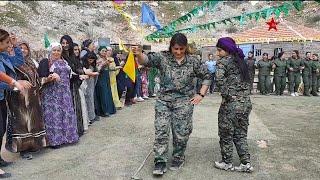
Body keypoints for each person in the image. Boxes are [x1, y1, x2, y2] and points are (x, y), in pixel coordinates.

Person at [133, 33, 212, 176]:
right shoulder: (163, 57)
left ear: (186, 47)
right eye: (176, 49)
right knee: (161, 130)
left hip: (184, 102)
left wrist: (201, 94)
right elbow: (146, 61)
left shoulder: (193, 61)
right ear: (171, 47)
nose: (178, 52)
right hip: (164, 101)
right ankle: (160, 161)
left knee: (181, 133)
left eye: (181, 49)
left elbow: (207, 76)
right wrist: (139, 54)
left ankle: (178, 157)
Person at [214, 37, 253, 173]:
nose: (218, 53)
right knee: (240, 134)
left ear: (227, 50)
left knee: (226, 133)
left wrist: (229, 96)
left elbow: (219, 82)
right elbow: (248, 82)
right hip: (245, 104)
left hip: (231, 104)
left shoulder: (223, 62)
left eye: (219, 50)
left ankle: (227, 162)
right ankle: (246, 163)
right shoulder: (242, 61)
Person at [5, 41, 47, 160]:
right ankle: (23, 149)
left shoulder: (30, 63)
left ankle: (34, 145)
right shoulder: (10, 61)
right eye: (20, 48)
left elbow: (36, 79)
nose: (23, 50)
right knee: (22, 123)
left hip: (32, 96)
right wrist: (19, 82)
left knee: (33, 121)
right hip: (18, 97)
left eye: (25, 48)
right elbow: (7, 76)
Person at [0, 29, 32, 178]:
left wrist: (15, 45)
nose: (9, 45)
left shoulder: (4, 56)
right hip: (4, 92)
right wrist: (15, 84)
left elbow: (19, 62)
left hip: (2, 98)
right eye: (6, 42)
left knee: (1, 130)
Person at [38, 42, 79, 148]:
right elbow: (40, 78)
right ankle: (54, 141)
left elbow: (70, 75)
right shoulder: (45, 62)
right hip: (51, 95)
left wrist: (80, 76)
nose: (56, 52)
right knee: (53, 117)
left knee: (65, 115)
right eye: (54, 50)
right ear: (50, 51)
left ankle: (68, 137)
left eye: (58, 50)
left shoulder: (64, 62)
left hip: (64, 94)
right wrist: (51, 76)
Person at [60, 35, 86, 136]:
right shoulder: (61, 56)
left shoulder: (72, 56)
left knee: (76, 106)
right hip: (66, 86)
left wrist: (81, 72)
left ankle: (77, 130)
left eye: (67, 43)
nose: (65, 45)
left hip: (74, 84)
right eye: (63, 43)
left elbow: (77, 68)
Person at [95, 46, 116, 117]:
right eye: (103, 51)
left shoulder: (107, 59)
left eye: (105, 51)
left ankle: (110, 109)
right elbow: (97, 69)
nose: (104, 52)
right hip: (101, 77)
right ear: (99, 51)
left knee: (108, 92)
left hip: (107, 76)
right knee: (103, 93)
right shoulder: (98, 59)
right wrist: (103, 64)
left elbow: (110, 68)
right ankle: (104, 111)